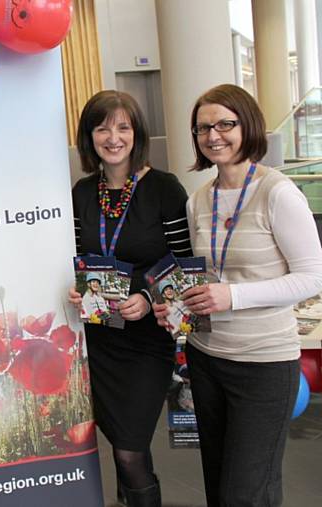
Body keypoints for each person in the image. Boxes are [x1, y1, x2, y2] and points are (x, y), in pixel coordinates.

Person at [154, 83, 322, 506]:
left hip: (263, 363)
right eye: (203, 128)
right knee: (219, 483)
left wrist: (234, 296)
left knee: (247, 492)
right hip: (206, 357)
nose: (214, 136)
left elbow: (312, 277)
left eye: (225, 124)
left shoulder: (278, 193)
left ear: (247, 125)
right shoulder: (199, 200)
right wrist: (173, 303)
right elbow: (204, 277)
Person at [69, 90, 191, 506]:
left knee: (129, 446)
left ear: (137, 134)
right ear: (90, 136)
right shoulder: (82, 193)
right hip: (100, 338)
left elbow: (184, 261)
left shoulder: (164, 188)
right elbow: (74, 257)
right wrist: (73, 283)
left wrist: (144, 292)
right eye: (102, 127)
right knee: (121, 439)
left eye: (123, 126)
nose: (113, 136)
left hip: (147, 339)